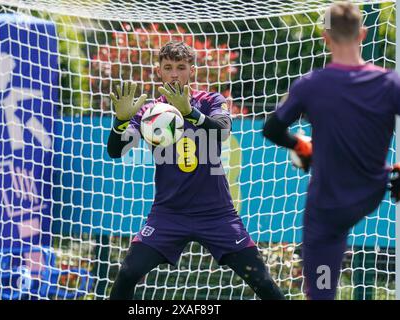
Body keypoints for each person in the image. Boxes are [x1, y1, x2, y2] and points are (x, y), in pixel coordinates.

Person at [107, 41, 285, 300]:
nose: (175, 74)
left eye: (181, 67)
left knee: (262, 282)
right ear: (159, 71)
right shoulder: (149, 112)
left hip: (217, 214)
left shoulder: (210, 101)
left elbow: (222, 131)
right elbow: (116, 150)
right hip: (168, 214)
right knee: (128, 274)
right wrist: (121, 121)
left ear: (192, 70)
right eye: (168, 67)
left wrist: (190, 113)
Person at [263, 1, 400, 300]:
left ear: (325, 37)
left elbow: (271, 130)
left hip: (328, 207)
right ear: (362, 33)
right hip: (374, 190)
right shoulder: (391, 83)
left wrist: (301, 145)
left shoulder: (310, 85)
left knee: (321, 291)